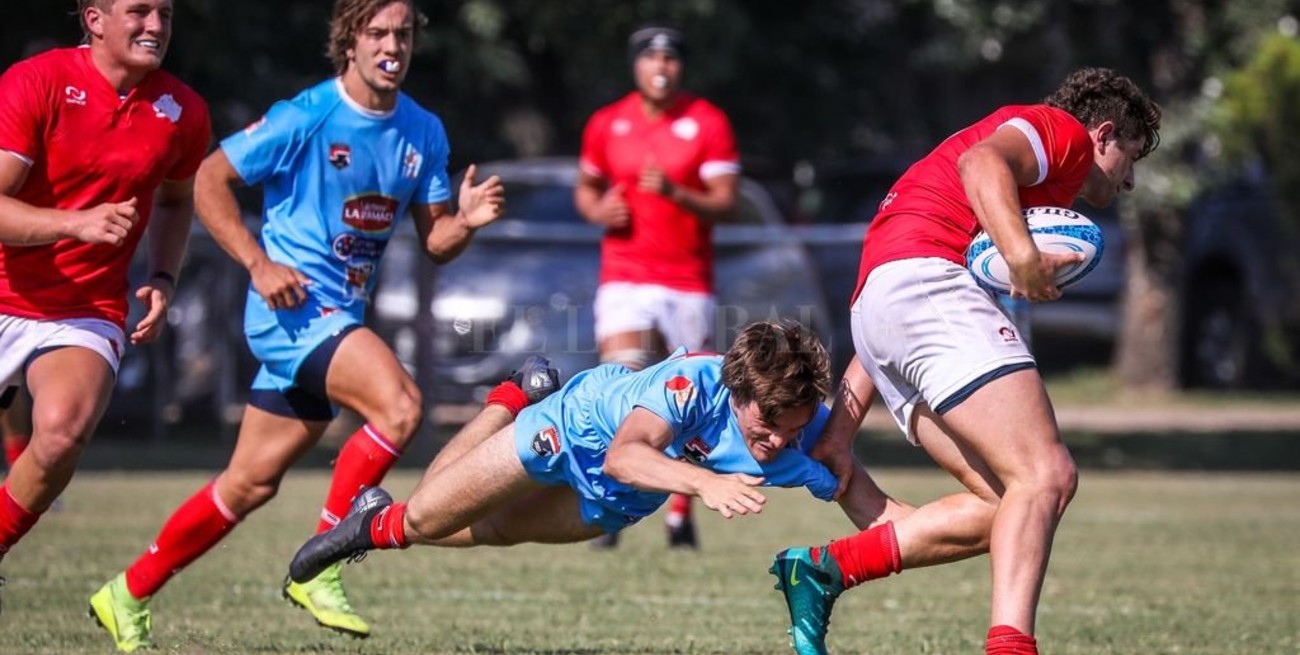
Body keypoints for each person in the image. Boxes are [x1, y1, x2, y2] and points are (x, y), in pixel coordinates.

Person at [88, 0, 507, 650]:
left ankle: (128, 590)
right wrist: (257, 263)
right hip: (294, 312)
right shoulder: (308, 115)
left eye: (402, 33)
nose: (391, 44)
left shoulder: (423, 131)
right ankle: (324, 563)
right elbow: (209, 179)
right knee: (401, 408)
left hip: (337, 320)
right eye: (377, 33)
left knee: (248, 483)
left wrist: (467, 223)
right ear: (350, 43)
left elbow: (437, 240)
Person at [770, 68, 1162, 655]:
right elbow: (980, 163)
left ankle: (824, 569)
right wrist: (1021, 254)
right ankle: (1011, 648)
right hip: (926, 287)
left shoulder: (1017, 181)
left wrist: (841, 431)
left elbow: (887, 293)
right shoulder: (1062, 134)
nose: (1129, 181)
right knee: (1046, 475)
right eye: (1130, 158)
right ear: (1102, 134)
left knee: (1008, 507)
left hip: (881, 307)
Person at [287, 320, 906, 585]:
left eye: (792, 431)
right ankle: (513, 400)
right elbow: (624, 454)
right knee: (423, 518)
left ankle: (376, 514)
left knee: (496, 530)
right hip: (575, 430)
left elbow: (879, 515)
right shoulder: (692, 381)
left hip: (622, 496)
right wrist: (703, 485)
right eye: (767, 424)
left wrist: (981, 526)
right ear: (736, 388)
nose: (778, 442)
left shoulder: (806, 439)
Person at [0, 0, 209, 613]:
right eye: (139, 12)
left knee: (61, 436)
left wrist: (163, 276)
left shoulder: (183, 111)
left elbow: (174, 202)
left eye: (165, 15)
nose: (155, 27)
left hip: (83, 306)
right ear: (94, 19)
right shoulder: (34, 83)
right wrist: (77, 223)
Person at [573, 24, 740, 549]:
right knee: (615, 383)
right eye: (651, 59)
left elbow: (726, 201)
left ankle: (679, 513)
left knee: (686, 392)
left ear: (680, 67)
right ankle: (607, 507)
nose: (661, 68)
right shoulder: (608, 123)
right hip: (623, 273)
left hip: (686, 278)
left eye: (670, 59)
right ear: (637, 66)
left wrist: (676, 193)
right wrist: (599, 209)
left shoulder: (706, 122)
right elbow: (587, 187)